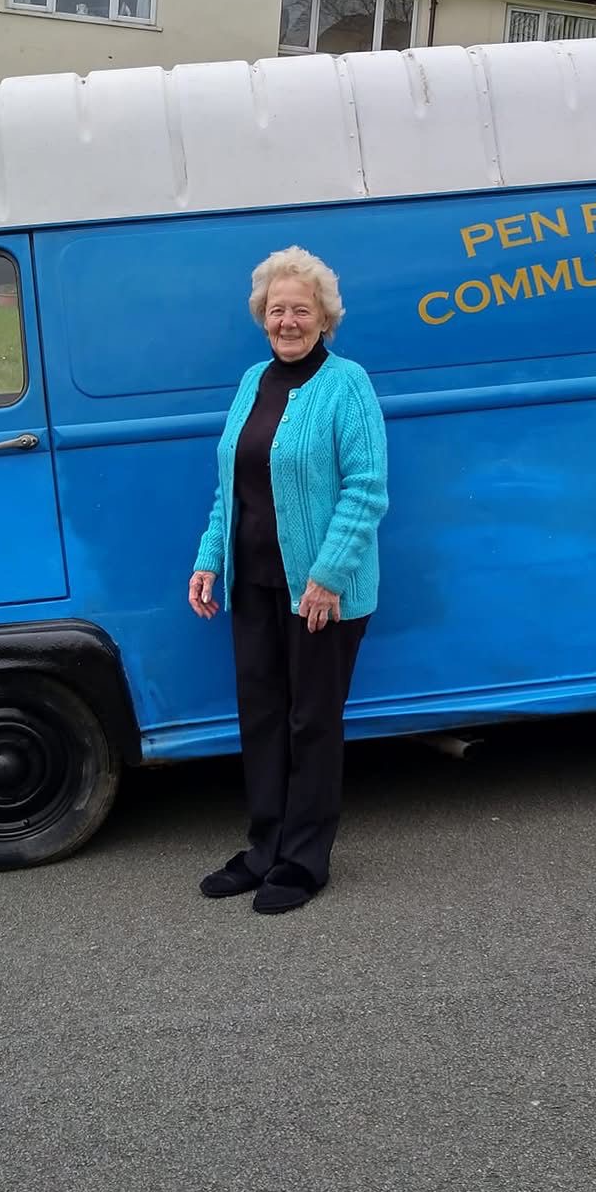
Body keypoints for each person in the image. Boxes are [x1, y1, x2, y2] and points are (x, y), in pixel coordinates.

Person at [188, 247, 388, 914]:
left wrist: (328, 576)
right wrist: (209, 558)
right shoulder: (252, 381)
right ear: (262, 318)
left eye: (301, 309)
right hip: (254, 586)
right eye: (277, 310)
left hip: (321, 596)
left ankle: (304, 861)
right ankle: (263, 850)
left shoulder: (348, 383)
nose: (288, 320)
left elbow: (366, 490)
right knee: (265, 718)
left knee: (311, 723)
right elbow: (230, 485)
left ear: (325, 317)